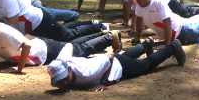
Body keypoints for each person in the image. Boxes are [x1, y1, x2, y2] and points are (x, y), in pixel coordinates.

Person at [0, 12, 119, 73]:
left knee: (79, 50)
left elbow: (27, 45)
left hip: (44, 51)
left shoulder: (5, 33)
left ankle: (108, 37)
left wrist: (19, 69)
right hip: (42, 47)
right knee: (75, 46)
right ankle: (103, 34)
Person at [47, 40, 187, 91]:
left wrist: (101, 83)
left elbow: (108, 59)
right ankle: (145, 45)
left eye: (64, 78)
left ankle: (172, 48)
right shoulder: (59, 62)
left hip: (115, 65)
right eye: (59, 81)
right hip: (102, 60)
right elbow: (68, 46)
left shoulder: (86, 74)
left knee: (146, 66)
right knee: (124, 57)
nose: (62, 83)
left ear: (69, 69)